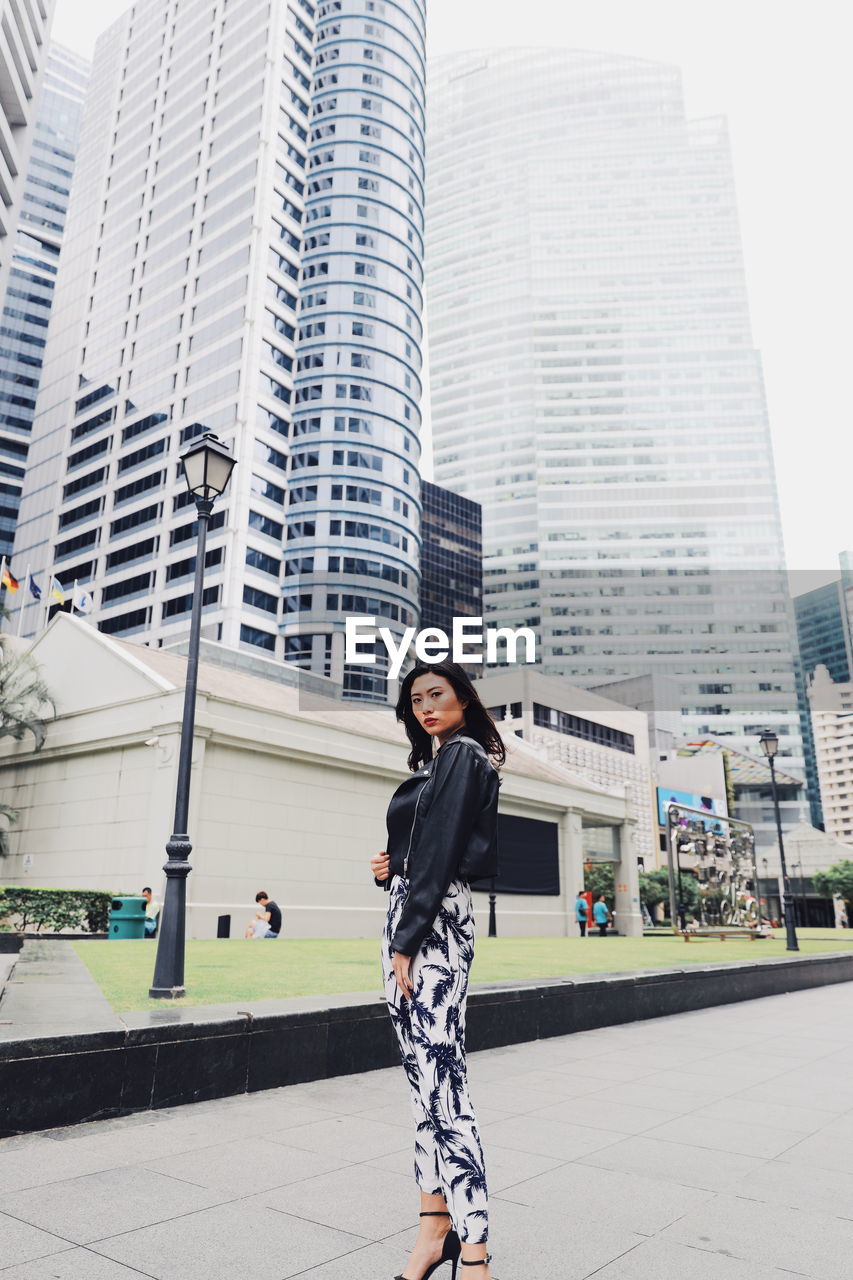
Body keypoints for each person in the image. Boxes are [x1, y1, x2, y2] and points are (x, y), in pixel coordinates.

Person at [370, 660, 502, 1280]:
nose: (424, 707)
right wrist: (390, 867)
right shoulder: (436, 763)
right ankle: (432, 1231)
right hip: (414, 917)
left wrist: (407, 936)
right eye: (415, 700)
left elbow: (447, 855)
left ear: (462, 699)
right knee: (425, 1085)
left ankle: (473, 1252)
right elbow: (427, 846)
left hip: (430, 926)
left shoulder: (464, 754)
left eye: (436, 695)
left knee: (444, 1084)